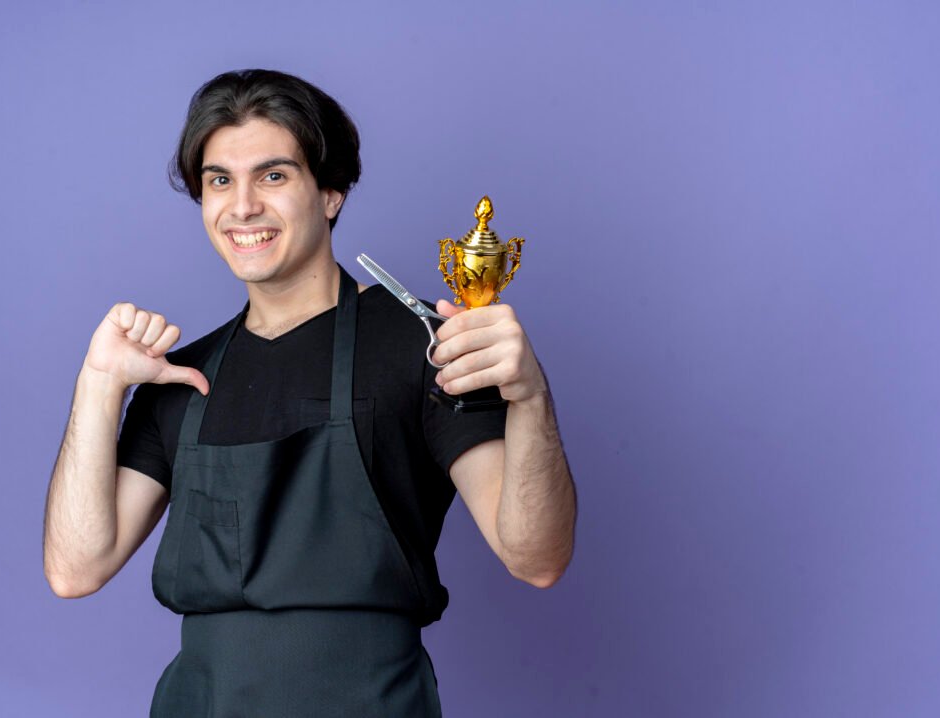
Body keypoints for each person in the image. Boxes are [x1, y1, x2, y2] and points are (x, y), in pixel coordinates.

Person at [43, 69, 577, 716]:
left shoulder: (426, 350)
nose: (242, 206)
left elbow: (536, 556)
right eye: (220, 180)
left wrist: (530, 396)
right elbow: (75, 569)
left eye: (273, 175)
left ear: (331, 193)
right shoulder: (182, 377)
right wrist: (98, 385)